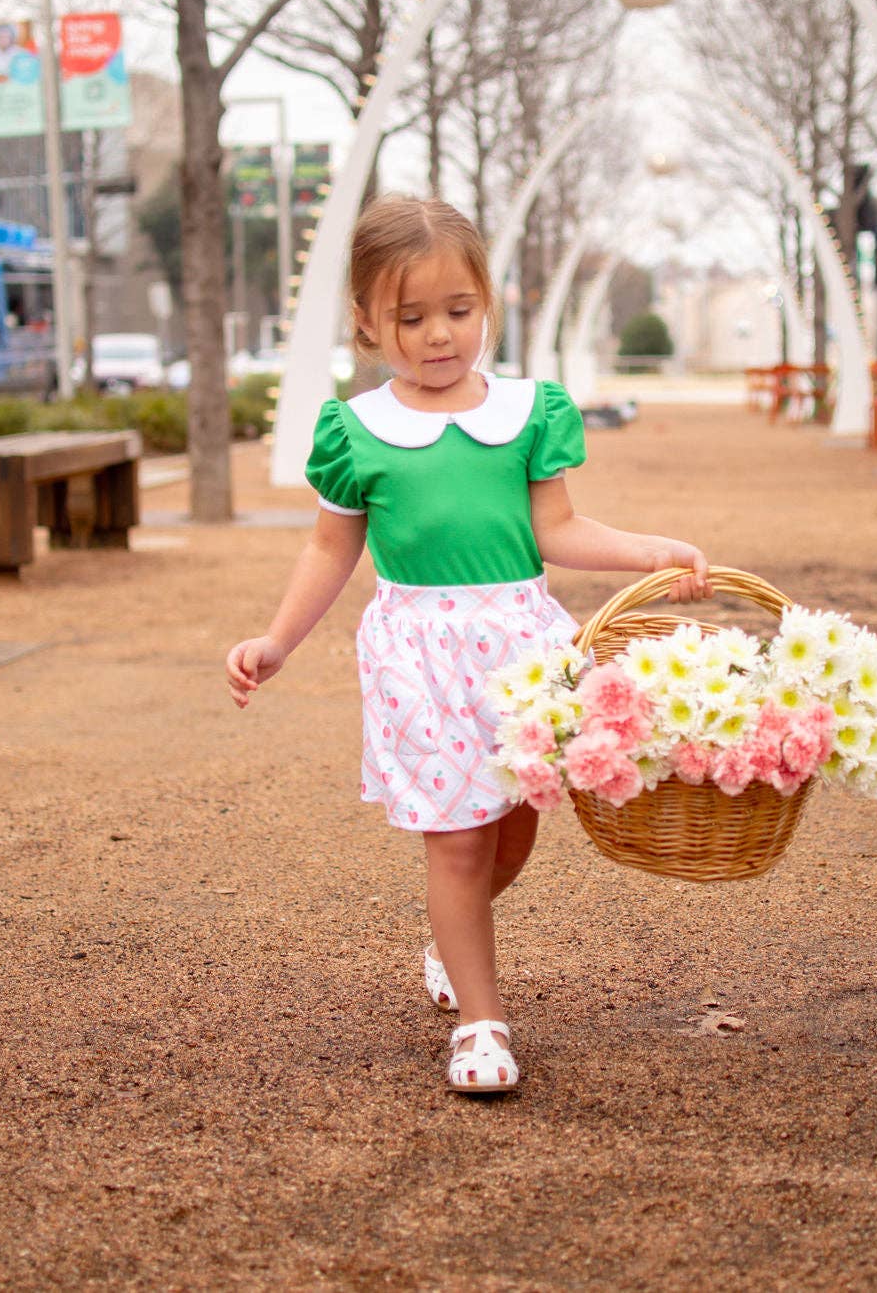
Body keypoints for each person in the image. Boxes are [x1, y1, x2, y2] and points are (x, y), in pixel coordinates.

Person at [225, 195, 712, 1097]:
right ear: (369, 322)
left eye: (457, 310)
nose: (438, 335)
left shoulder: (529, 412)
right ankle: (481, 1025)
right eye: (411, 317)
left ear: (486, 302)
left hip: (525, 650)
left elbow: (557, 529)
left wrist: (650, 550)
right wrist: (278, 639)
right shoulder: (356, 430)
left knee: (511, 838)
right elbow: (331, 546)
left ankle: (454, 933)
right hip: (418, 655)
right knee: (455, 843)